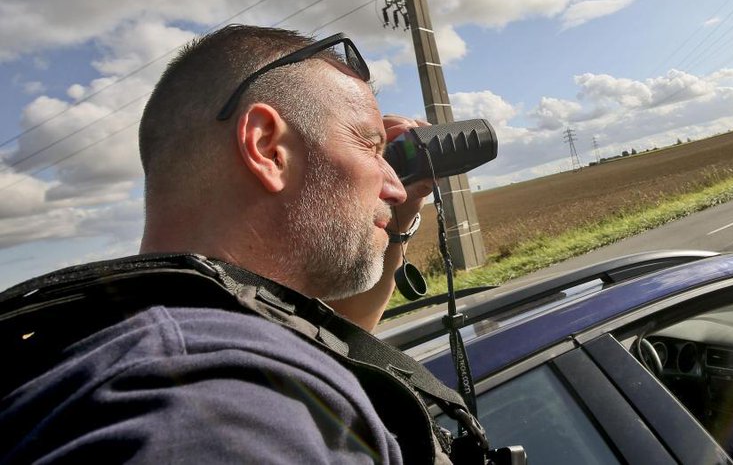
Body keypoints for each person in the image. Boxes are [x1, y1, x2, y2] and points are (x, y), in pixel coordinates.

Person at [1, 25, 443, 463]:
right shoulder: (223, 410)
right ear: (268, 147)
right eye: (369, 146)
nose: (396, 187)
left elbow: (335, 340)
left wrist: (391, 222)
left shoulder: (132, 337)